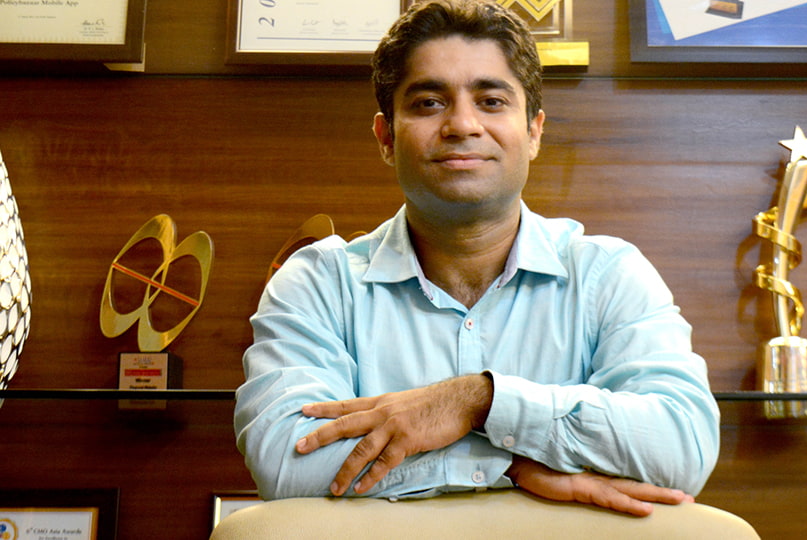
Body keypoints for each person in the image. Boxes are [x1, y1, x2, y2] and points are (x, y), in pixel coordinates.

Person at [235, 0, 719, 518]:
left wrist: (478, 401)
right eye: (427, 103)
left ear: (533, 132)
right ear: (385, 138)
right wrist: (512, 467)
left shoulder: (608, 274)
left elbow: (681, 446)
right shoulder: (317, 282)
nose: (462, 124)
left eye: (491, 101)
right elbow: (285, 459)